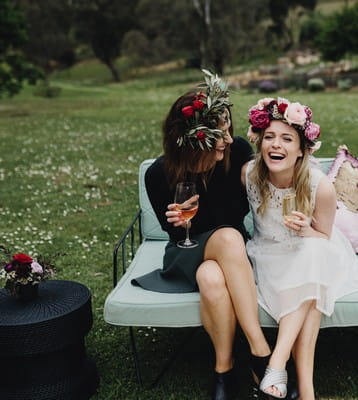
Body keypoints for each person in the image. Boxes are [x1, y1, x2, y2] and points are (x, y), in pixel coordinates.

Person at [131, 70, 272, 400]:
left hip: (230, 255)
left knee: (211, 277)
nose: (226, 139)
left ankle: (224, 368)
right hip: (186, 250)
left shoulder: (237, 152)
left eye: (227, 130)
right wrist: (178, 222)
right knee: (226, 238)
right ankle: (260, 351)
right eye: (218, 135)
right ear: (194, 140)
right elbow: (175, 234)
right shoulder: (159, 174)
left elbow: (261, 190)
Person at [245, 97, 358, 399]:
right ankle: (306, 391)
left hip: (317, 251)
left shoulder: (320, 186)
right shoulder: (250, 175)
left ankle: (277, 364)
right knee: (312, 297)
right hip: (268, 257)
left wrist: (307, 229)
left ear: (302, 149)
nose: (275, 145)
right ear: (259, 141)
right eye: (269, 137)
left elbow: (325, 236)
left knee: (314, 256)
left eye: (286, 139)